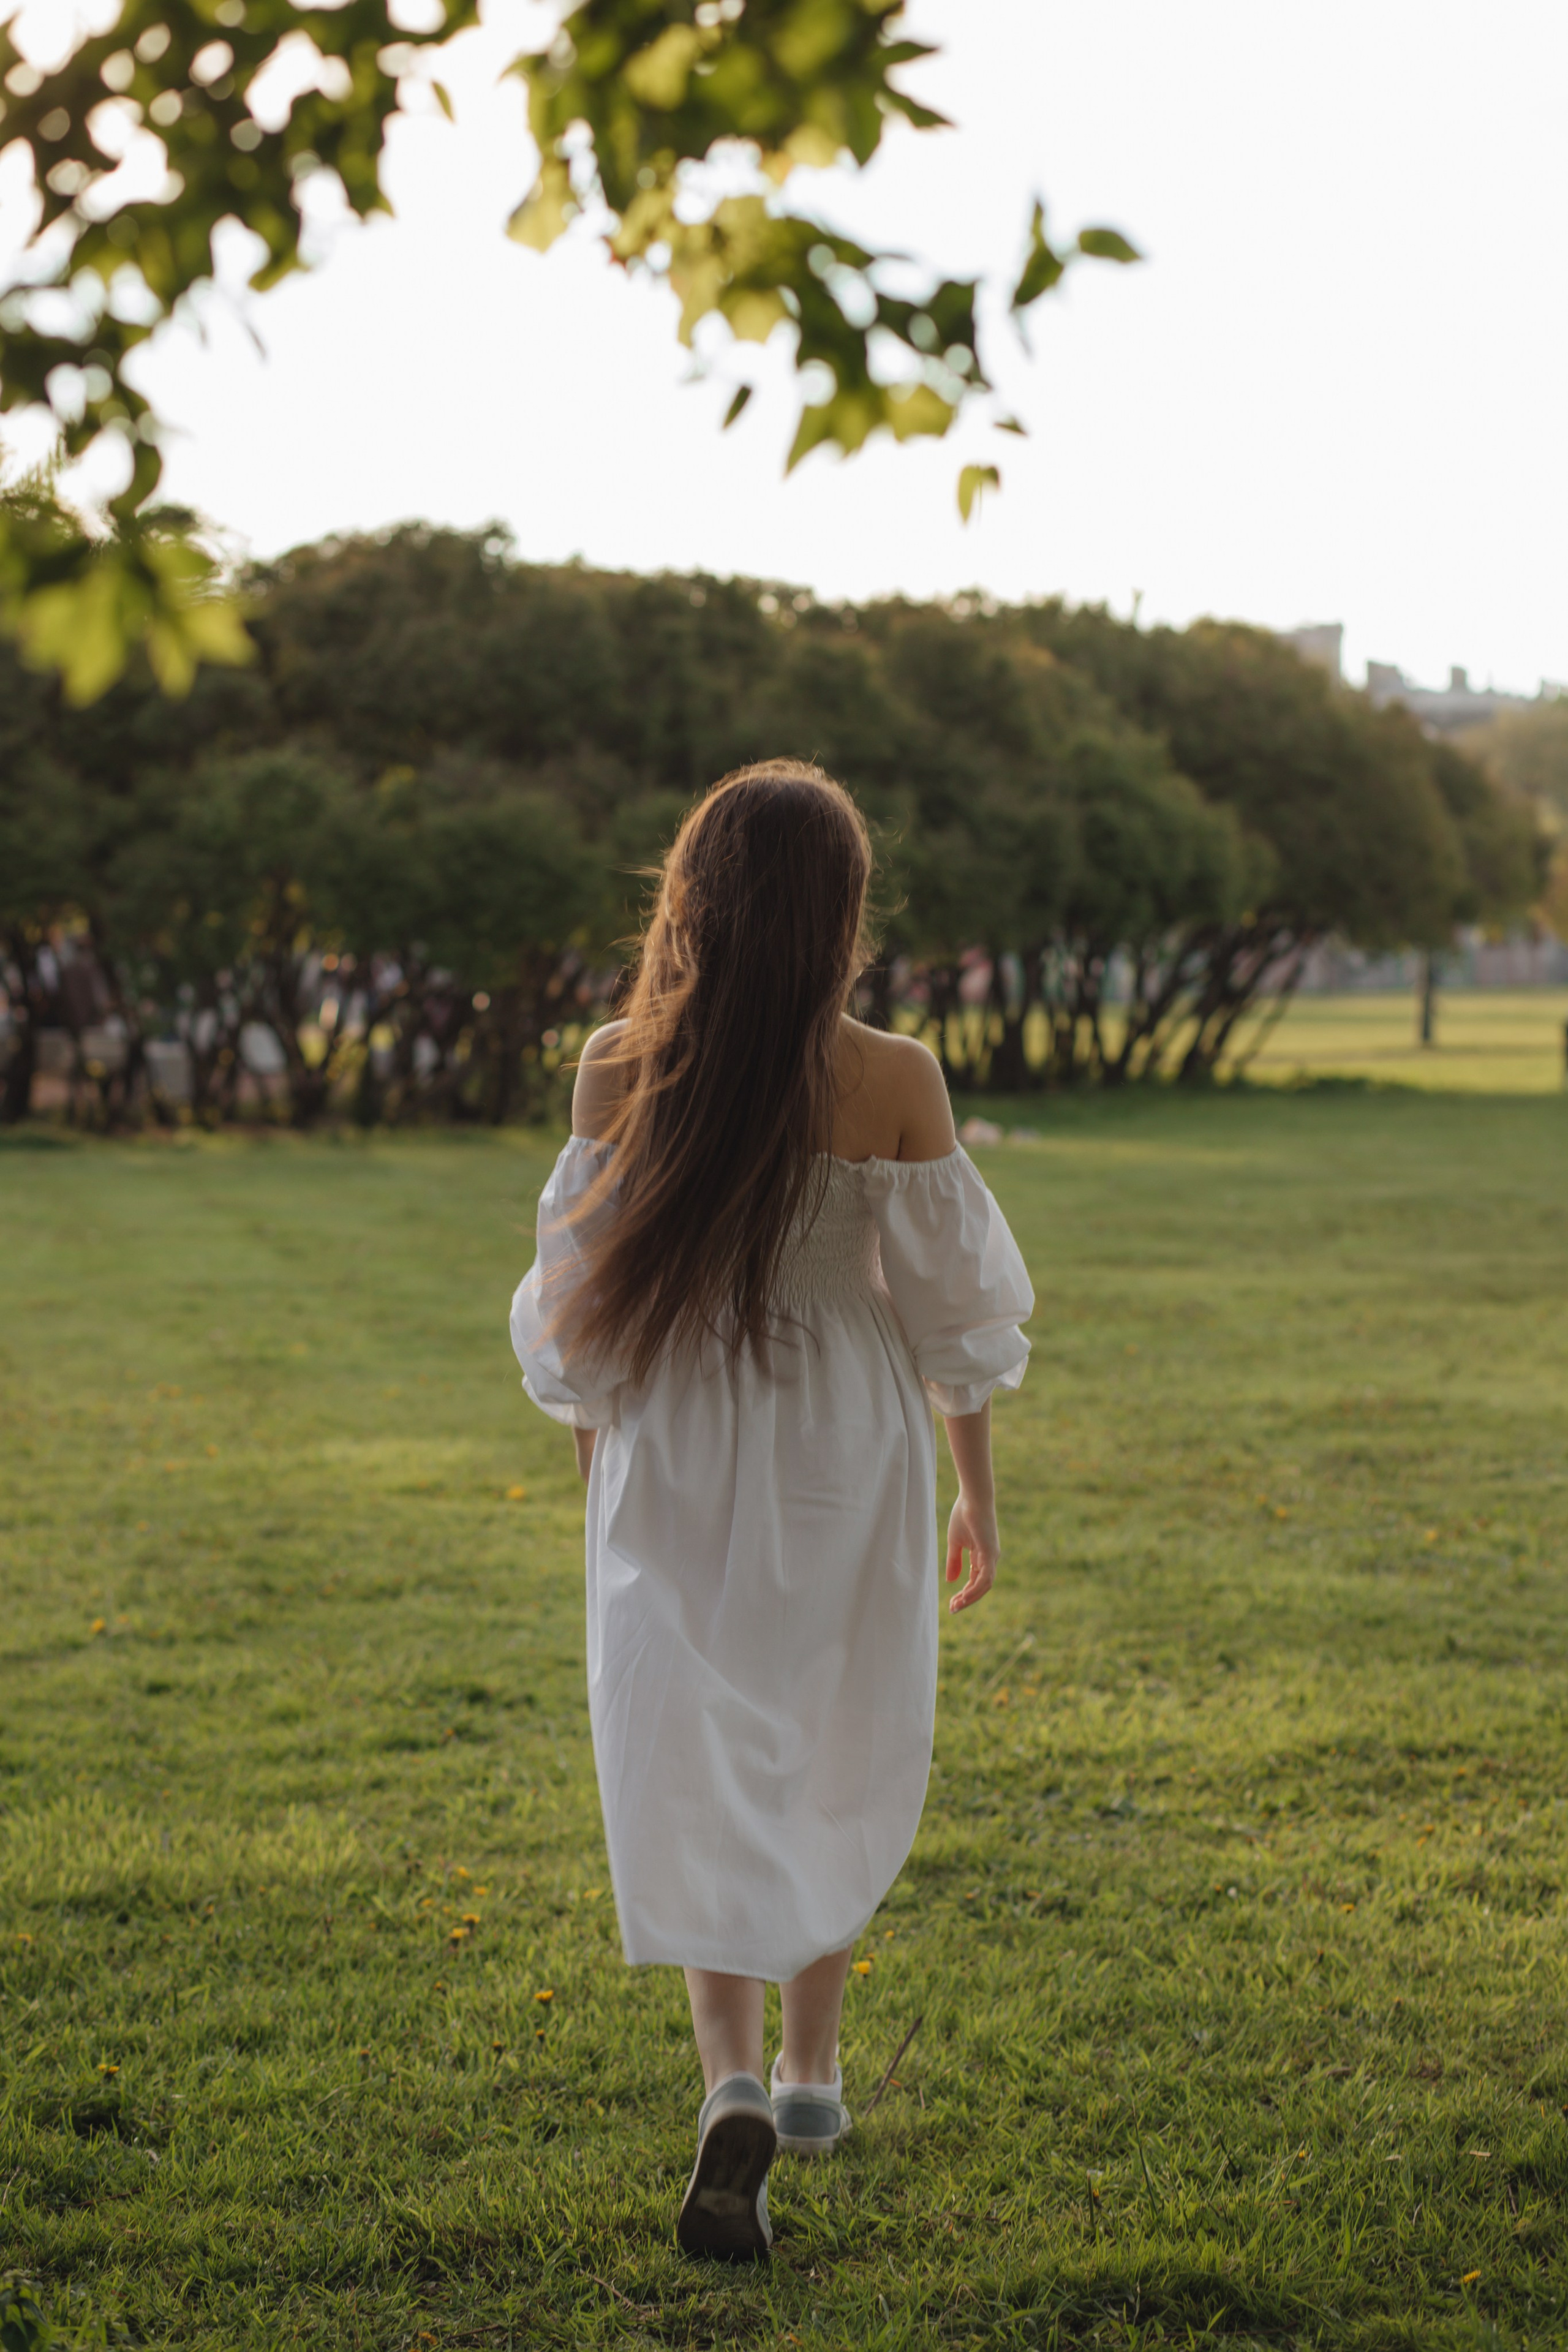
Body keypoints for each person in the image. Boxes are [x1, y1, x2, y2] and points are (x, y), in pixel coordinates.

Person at [510, 760, 1033, 2260]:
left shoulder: (621, 1061)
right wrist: (975, 1497)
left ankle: (728, 2078)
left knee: (689, 1739)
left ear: (694, 896)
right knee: (829, 1727)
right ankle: (811, 2078)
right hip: (842, 1442)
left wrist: (595, 1493)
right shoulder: (894, 1076)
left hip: (674, 1430)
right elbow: (953, 1322)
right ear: (840, 914)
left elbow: (583, 1316)